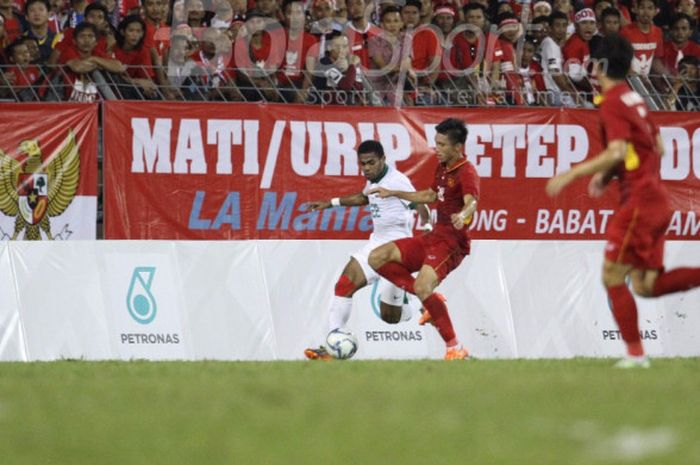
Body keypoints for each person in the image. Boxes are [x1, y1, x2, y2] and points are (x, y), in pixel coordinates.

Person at [546, 34, 700, 368]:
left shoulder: (614, 101)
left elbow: (618, 150)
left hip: (641, 200)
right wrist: (611, 172)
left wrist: (573, 175)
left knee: (612, 275)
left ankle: (635, 355)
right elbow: (656, 148)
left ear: (598, 65)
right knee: (646, 285)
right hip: (657, 198)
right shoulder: (635, 99)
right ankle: (637, 354)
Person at [303, 140, 431, 360]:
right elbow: (364, 197)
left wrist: (427, 225)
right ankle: (333, 346)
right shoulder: (372, 180)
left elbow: (421, 203)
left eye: (371, 163)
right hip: (375, 244)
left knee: (390, 317)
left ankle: (413, 306)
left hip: (396, 250)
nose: (367, 168)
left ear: (383, 159)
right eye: (363, 164)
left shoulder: (397, 181)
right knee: (344, 284)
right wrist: (330, 203)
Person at [367, 118, 479, 361]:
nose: (436, 149)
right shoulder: (442, 167)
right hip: (434, 236)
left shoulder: (466, 171)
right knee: (377, 257)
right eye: (435, 143)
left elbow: (472, 202)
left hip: (452, 244)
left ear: (457, 147)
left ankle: (454, 347)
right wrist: (394, 192)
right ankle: (430, 299)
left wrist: (463, 214)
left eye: (441, 145)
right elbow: (430, 194)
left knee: (421, 286)